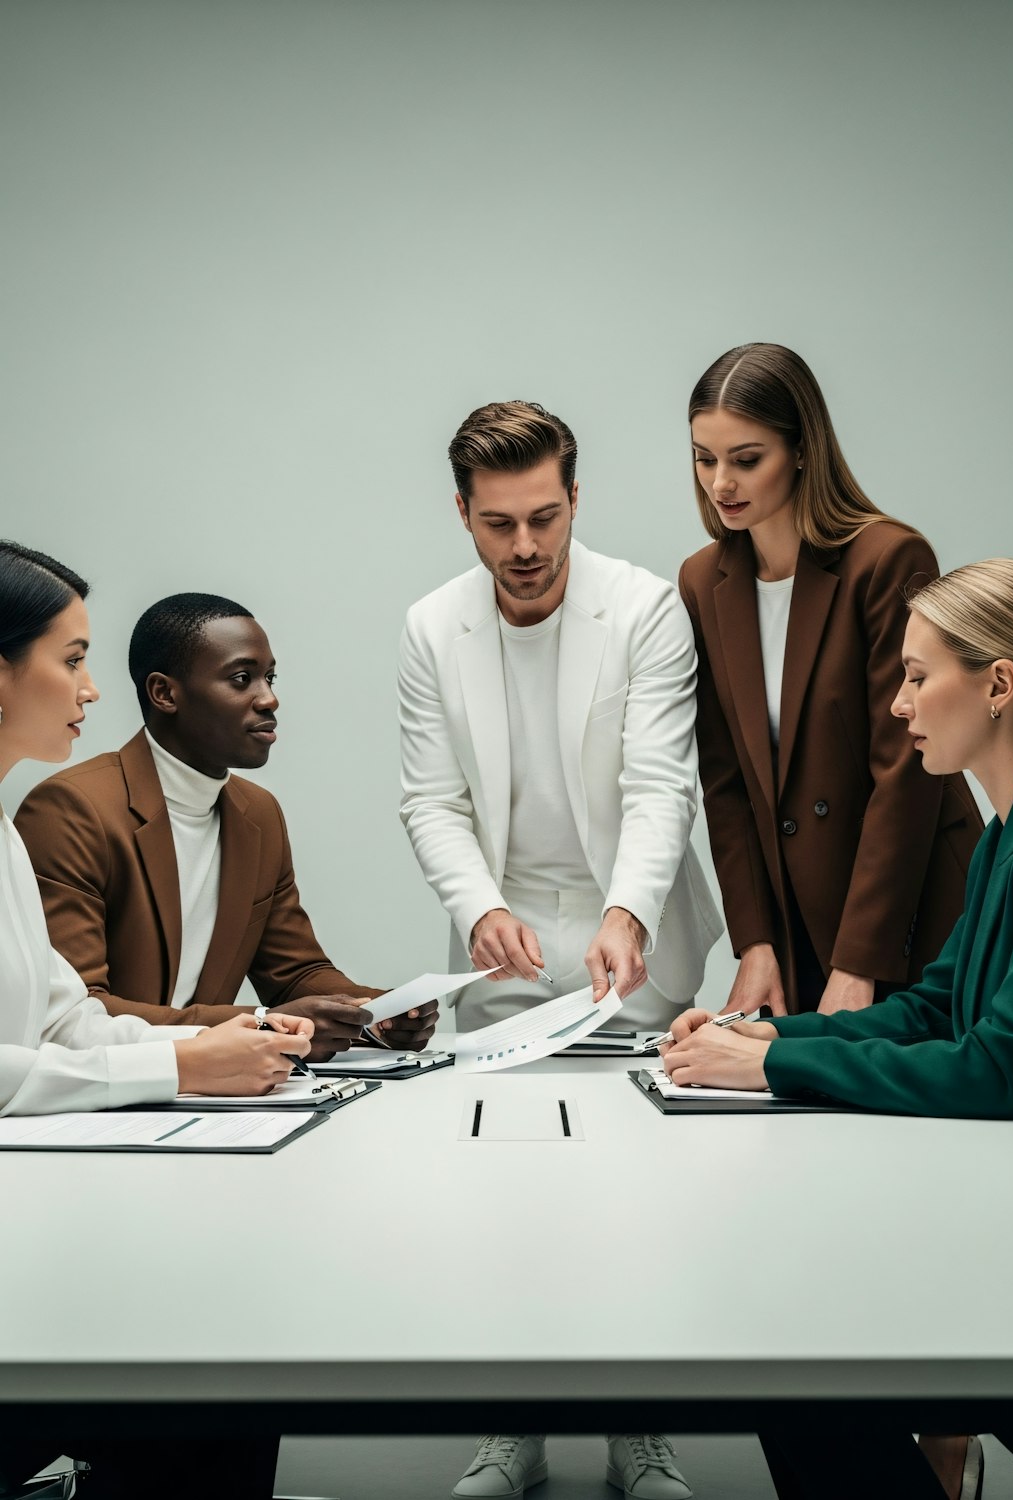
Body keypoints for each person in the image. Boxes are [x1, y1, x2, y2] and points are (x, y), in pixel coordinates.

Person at [662, 558, 1013, 1500]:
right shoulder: (1009, 830)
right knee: (789, 1334)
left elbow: (1002, 1071)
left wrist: (779, 1068)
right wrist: (769, 1037)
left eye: (919, 678)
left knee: (790, 1348)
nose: (900, 707)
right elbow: (932, 1006)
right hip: (1007, 1218)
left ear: (998, 683)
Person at [399, 400, 722, 1500]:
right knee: (508, 1192)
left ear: (576, 498)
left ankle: (640, 1435)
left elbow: (658, 782)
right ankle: (513, 1431)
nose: (526, 547)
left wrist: (629, 912)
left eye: (545, 517)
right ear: (463, 514)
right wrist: (478, 902)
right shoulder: (430, 625)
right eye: (498, 524)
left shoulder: (643, 610)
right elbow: (430, 798)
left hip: (631, 935)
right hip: (504, 948)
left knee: (636, 1190)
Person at [0, 541, 313, 1498]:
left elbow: (68, 1021)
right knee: (199, 1385)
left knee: (230, 1369)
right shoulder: (55, 812)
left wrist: (221, 1044)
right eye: (74, 657)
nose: (93, 691)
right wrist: (184, 1067)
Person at [678, 343, 985, 1018]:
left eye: (746, 459)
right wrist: (755, 941)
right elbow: (725, 781)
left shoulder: (888, 559)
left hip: (911, 914)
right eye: (705, 458)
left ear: (803, 451)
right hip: (796, 927)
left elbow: (907, 770)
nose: (720, 482)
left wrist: (860, 961)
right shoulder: (704, 582)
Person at [15, 592, 437, 1056]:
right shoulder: (72, 809)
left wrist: (377, 1012)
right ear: (164, 693)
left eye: (269, 677)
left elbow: (294, 974)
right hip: (101, 1100)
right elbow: (75, 1016)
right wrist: (260, 1024)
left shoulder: (257, 813)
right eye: (242, 679)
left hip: (215, 1098)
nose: (269, 699)